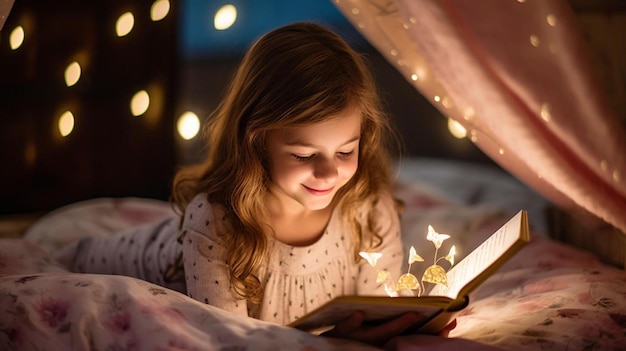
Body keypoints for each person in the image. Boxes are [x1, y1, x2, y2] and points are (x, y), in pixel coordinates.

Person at [68, 22, 428, 347]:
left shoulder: (367, 207)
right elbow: (231, 340)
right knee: (76, 252)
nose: (328, 173)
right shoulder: (216, 222)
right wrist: (333, 342)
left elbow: (374, 313)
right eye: (304, 156)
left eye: (346, 151)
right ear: (256, 142)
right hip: (136, 257)